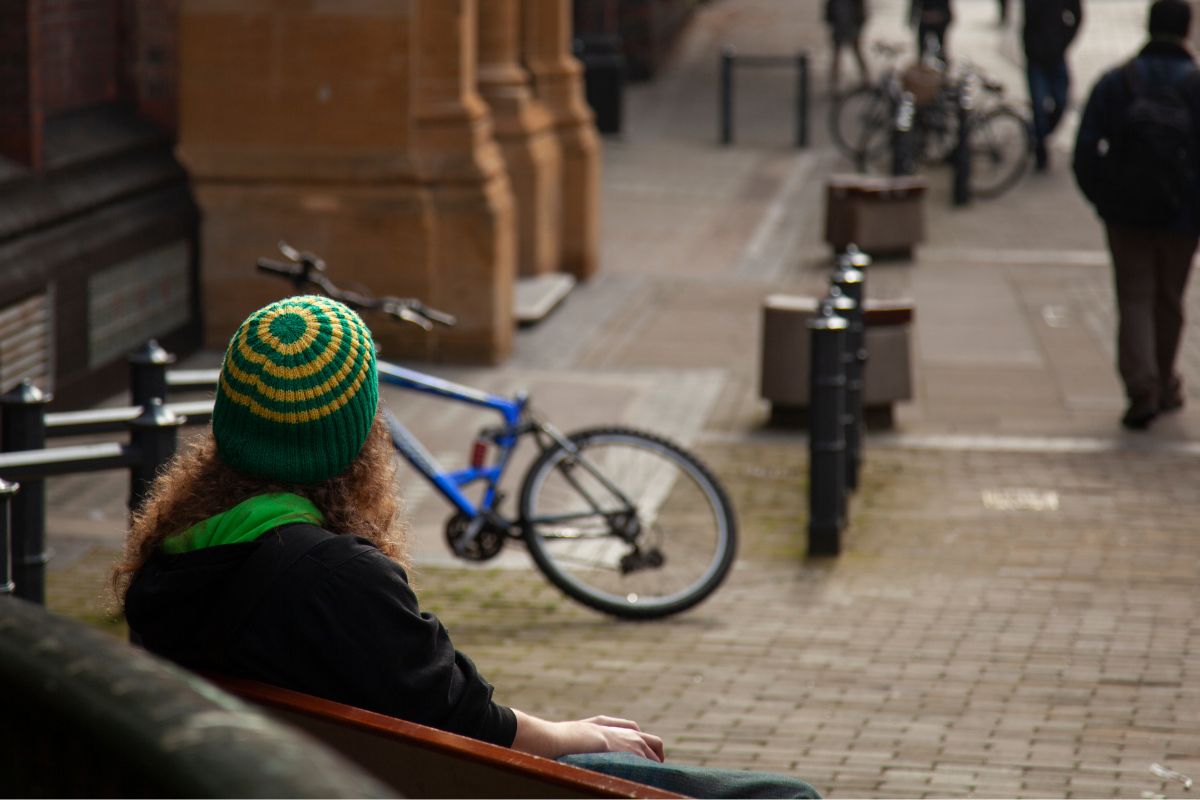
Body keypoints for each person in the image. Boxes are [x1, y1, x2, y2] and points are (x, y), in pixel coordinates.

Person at [113, 295, 821, 798]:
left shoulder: (171, 563)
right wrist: (578, 733)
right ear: (358, 438)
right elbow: (471, 726)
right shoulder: (335, 578)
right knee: (780, 797)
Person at [1073, 0, 1200, 430]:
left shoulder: (1118, 82)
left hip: (1126, 214)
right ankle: (1164, 381)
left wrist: (1104, 199)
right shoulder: (1196, 87)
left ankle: (1142, 386)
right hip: (1183, 216)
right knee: (1169, 300)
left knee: (1135, 298)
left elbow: (1085, 150)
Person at [1022, 0, 1082, 171]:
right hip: (1036, 58)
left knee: (1061, 101)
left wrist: (1064, 41)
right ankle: (1040, 147)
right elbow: (1027, 21)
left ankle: (1039, 134)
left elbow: (1077, 16)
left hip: (1056, 55)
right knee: (1039, 106)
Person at [825, 0, 869, 94]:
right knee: (840, 53)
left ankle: (865, 79)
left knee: (852, 52)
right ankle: (835, 83)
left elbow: (860, 9)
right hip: (842, 22)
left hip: (848, 22)